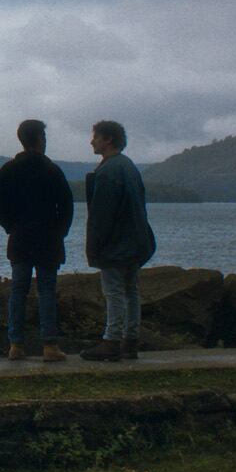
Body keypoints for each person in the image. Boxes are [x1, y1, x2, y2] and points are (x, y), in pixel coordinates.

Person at [0, 119, 75, 362]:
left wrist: (12, 227)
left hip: (19, 238)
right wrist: (60, 232)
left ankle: (15, 345)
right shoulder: (52, 170)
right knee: (47, 290)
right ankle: (49, 346)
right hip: (48, 239)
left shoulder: (8, 170)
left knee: (18, 290)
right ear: (40, 139)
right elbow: (67, 206)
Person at [80, 120, 156, 362]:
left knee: (113, 291)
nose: (92, 141)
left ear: (108, 140)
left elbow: (101, 214)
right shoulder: (130, 167)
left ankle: (112, 340)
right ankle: (130, 340)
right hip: (136, 241)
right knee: (131, 291)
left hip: (116, 243)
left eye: (96, 137)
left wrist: (95, 246)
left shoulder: (109, 170)